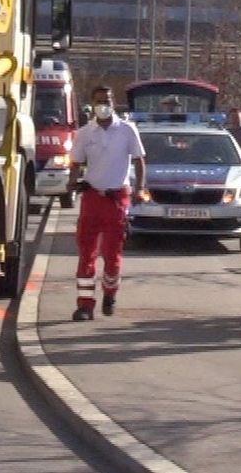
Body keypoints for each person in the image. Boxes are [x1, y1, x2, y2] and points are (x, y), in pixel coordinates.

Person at [66, 84, 147, 321]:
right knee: (86, 252)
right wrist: (72, 183)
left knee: (112, 255)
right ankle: (85, 305)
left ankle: (110, 294)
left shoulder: (127, 130)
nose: (104, 105)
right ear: (93, 104)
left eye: (108, 101)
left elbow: (139, 161)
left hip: (116, 199)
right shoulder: (84, 133)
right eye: (100, 101)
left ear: (114, 103)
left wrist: (140, 189)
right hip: (92, 197)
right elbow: (76, 163)